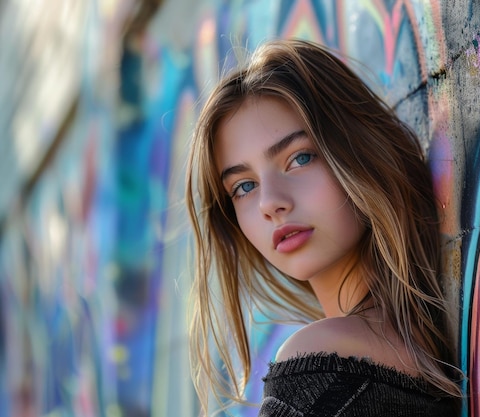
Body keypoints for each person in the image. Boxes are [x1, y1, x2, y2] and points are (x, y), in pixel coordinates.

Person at [185, 38, 463, 416]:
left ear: (360, 153)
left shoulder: (318, 364)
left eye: (299, 158)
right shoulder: (417, 349)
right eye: (244, 187)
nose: (270, 202)